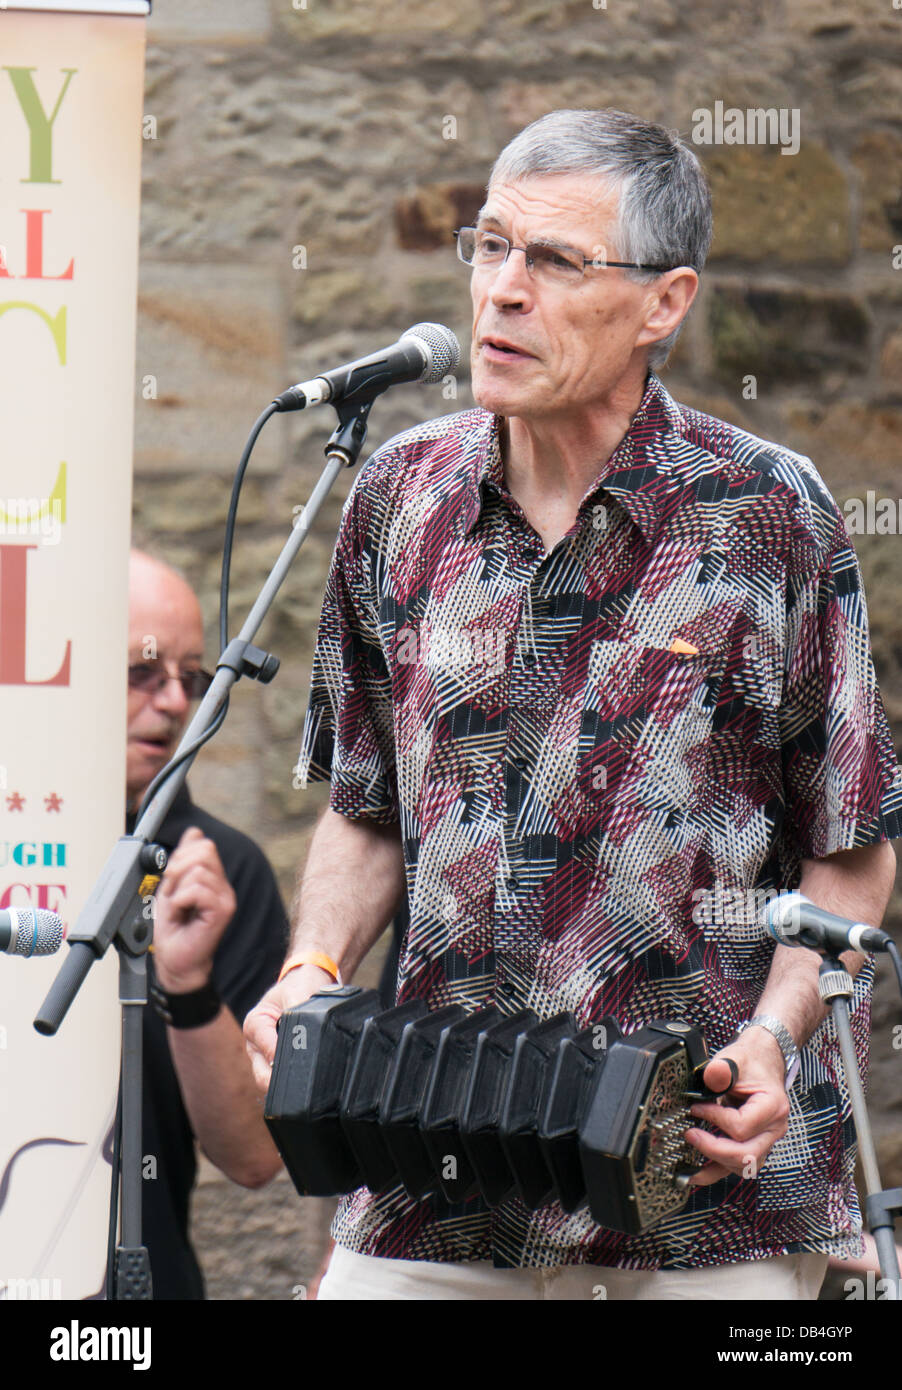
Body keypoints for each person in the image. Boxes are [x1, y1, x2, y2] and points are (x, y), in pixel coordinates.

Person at [244, 109, 900, 1300]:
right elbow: (363, 807)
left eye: (552, 261)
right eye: (489, 246)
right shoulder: (396, 496)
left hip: (702, 1191)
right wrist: (311, 963)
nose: (500, 290)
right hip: (434, 1160)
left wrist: (775, 1037)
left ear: (663, 302)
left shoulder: (765, 512)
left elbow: (849, 849)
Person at [127, 549, 286, 1299]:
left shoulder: (218, 868)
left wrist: (187, 988)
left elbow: (254, 1156)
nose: (171, 703)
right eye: (141, 674)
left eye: (191, 680)